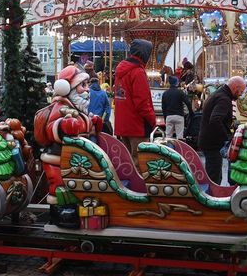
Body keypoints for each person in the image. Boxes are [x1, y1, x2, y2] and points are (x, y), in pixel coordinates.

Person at [34, 65, 103, 205]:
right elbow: (51, 127)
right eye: (82, 85)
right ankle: (60, 212)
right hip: (58, 159)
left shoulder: (76, 107)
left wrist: (93, 122)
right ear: (67, 88)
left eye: (87, 85)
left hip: (76, 159)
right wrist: (64, 125)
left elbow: (83, 127)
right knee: (60, 188)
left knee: (75, 187)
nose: (87, 89)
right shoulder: (61, 106)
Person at [198, 76, 246, 185]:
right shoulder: (224, 99)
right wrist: (227, 138)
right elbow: (215, 120)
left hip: (208, 141)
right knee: (214, 177)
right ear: (235, 87)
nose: (241, 94)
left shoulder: (218, 94)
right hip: (213, 144)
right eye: (241, 91)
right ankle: (212, 198)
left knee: (214, 173)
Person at [113, 39, 156, 159]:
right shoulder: (137, 72)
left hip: (123, 125)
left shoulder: (121, 71)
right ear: (144, 53)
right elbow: (142, 102)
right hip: (137, 126)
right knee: (140, 162)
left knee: (128, 162)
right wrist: (152, 120)